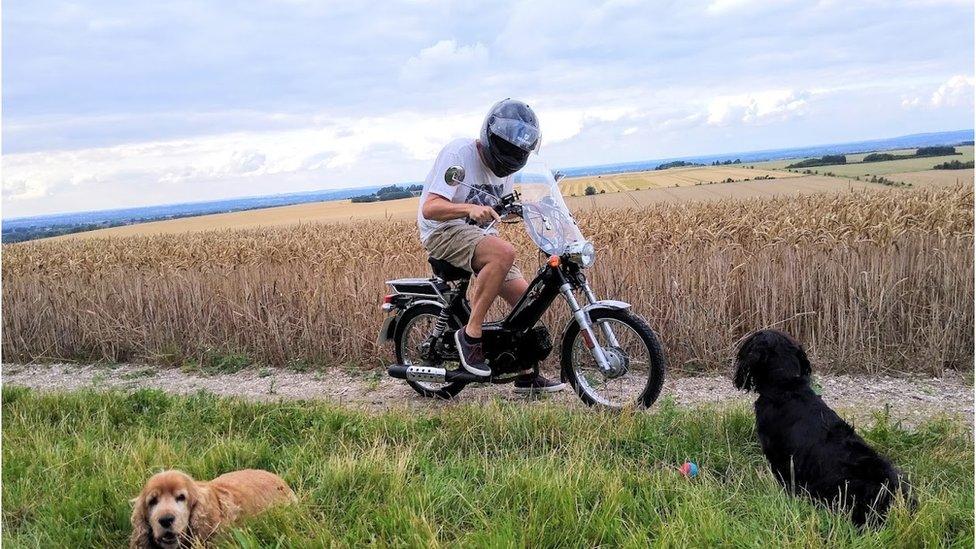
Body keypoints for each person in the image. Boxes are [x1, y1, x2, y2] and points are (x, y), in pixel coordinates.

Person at [417, 98, 565, 394]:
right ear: (490, 138)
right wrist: (468, 209)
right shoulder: (459, 154)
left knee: (527, 301)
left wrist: (536, 208)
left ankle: (525, 375)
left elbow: (499, 206)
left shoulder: (506, 170)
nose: (507, 163)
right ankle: (470, 336)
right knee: (504, 252)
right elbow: (430, 208)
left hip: (481, 236)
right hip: (443, 231)